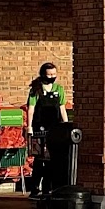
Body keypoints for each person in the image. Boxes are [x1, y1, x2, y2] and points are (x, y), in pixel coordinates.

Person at [26, 63, 71, 198]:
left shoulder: (59, 89)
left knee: (53, 159)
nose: (52, 77)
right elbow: (31, 108)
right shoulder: (36, 90)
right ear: (43, 74)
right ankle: (35, 187)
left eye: (54, 74)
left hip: (55, 128)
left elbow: (62, 108)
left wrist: (66, 125)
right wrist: (29, 127)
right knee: (40, 159)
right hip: (39, 128)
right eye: (49, 74)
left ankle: (48, 187)